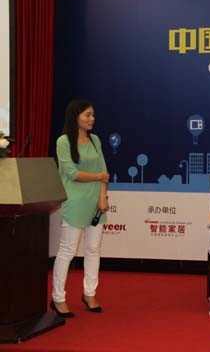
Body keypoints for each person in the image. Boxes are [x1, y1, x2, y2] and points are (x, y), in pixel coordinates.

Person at [51, 99, 109, 318]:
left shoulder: (95, 140)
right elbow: (72, 173)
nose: (92, 119)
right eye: (87, 115)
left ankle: (89, 294)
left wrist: (102, 197)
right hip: (74, 202)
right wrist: (99, 176)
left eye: (93, 115)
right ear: (75, 117)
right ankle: (58, 298)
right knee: (67, 251)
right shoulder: (63, 141)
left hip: (96, 204)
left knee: (93, 249)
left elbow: (104, 171)